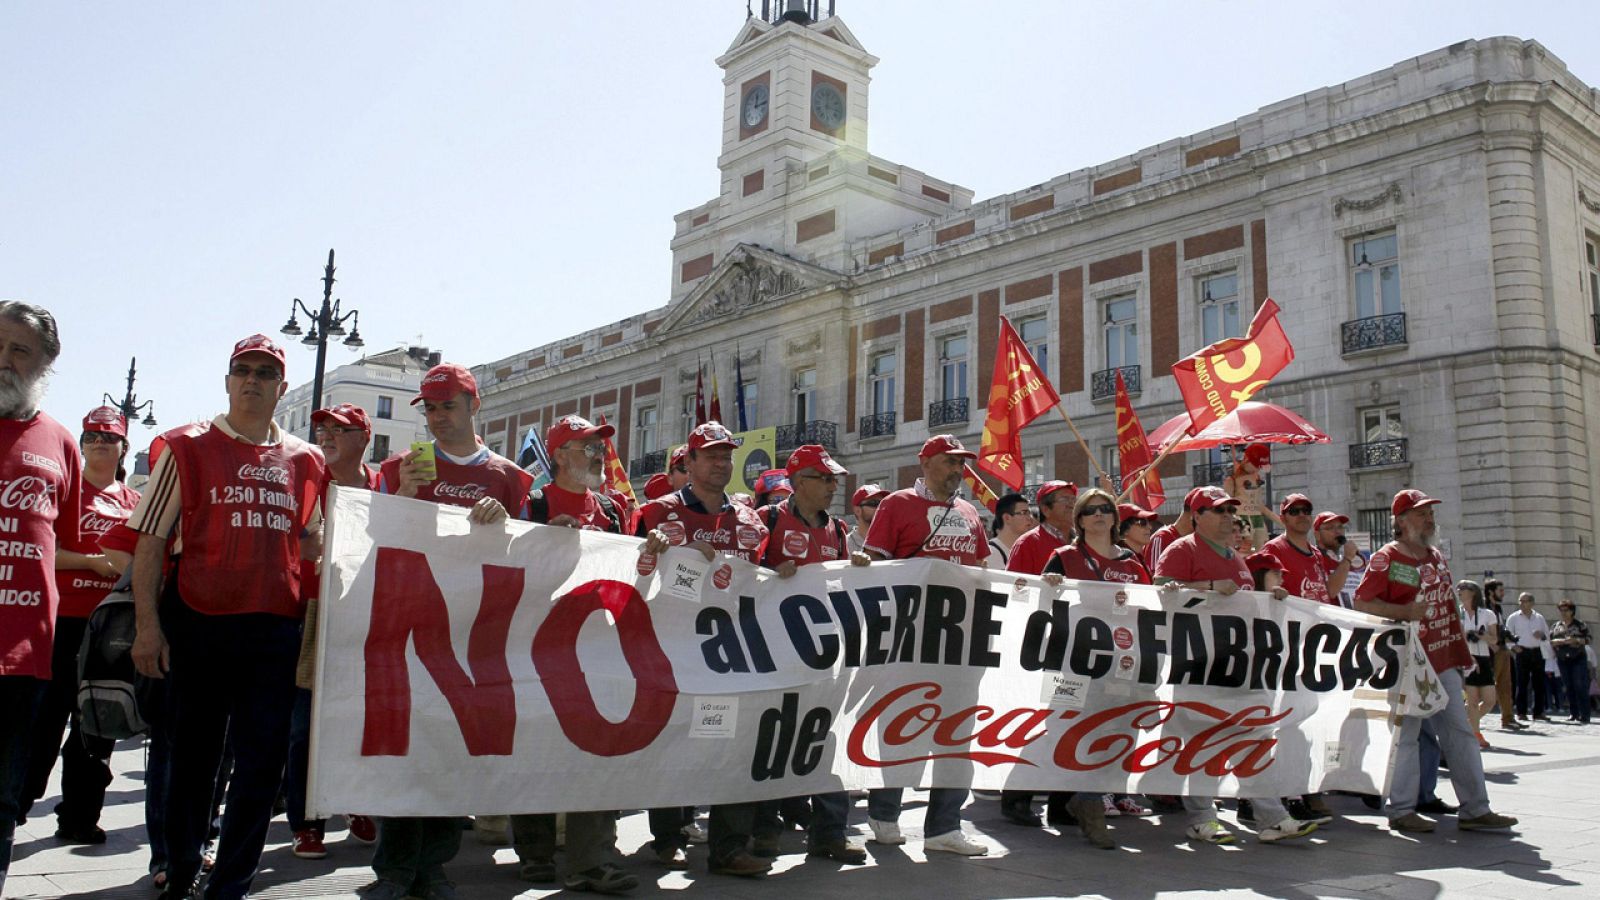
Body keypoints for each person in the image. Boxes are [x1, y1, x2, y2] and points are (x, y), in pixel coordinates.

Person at [129, 334, 327, 900]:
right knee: (193, 764)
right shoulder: (187, 449)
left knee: (262, 768)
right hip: (199, 621)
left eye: (266, 373)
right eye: (244, 369)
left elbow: (310, 540)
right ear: (227, 380)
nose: (253, 380)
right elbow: (150, 543)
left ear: (281, 388)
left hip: (273, 629)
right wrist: (149, 625)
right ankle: (182, 870)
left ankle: (232, 884)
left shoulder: (306, 461)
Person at [365, 362, 533, 900]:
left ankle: (434, 864)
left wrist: (504, 522)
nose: (438, 418)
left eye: (448, 406)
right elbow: (370, 542)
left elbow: (525, 552)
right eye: (430, 408)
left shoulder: (508, 476)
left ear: (473, 406)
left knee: (451, 750)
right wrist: (405, 499)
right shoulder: (399, 468)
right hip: (411, 627)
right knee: (407, 748)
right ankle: (393, 867)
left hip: (473, 633)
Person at [509, 414, 638, 894]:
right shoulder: (534, 503)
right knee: (539, 753)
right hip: (539, 649)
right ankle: (535, 853)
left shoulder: (613, 509)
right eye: (587, 447)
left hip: (601, 651)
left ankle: (592, 858)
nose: (599, 454)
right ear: (560, 454)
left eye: (600, 446)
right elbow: (507, 567)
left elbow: (634, 566)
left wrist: (655, 547)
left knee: (599, 755)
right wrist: (540, 543)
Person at [637, 421, 770, 877]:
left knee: (726, 748)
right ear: (688, 461)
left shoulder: (750, 519)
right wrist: (675, 557)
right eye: (709, 454)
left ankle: (729, 848)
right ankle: (668, 838)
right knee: (674, 746)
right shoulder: (657, 512)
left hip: (730, 658)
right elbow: (631, 576)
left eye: (726, 454)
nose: (720, 462)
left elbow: (768, 582)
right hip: (672, 653)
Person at [1154, 486, 1316, 845]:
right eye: (1218, 511)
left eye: (1230, 511)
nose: (1229, 517)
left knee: (1254, 739)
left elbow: (1244, 604)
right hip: (1199, 664)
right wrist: (1208, 585)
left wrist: (1270, 598)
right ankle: (1201, 817)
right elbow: (1161, 594)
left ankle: (1271, 816)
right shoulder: (1181, 550)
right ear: (1197, 516)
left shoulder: (1234, 554)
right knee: (1201, 742)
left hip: (1240, 665)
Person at [1352, 489, 1517, 834]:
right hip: (1407, 661)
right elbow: (1362, 602)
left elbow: (1448, 607)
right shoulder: (1386, 558)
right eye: (1420, 513)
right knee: (1407, 734)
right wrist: (1404, 612)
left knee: (1460, 732)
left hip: (1443, 658)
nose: (1429, 519)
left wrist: (1461, 651)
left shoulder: (1436, 556)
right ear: (1399, 521)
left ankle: (1475, 809)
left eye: (1430, 513)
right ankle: (1401, 809)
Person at [858, 435, 990, 857]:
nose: (958, 469)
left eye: (962, 463)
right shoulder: (896, 504)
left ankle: (944, 827)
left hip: (961, 643)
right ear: (927, 462)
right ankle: (883, 813)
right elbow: (875, 566)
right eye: (950, 461)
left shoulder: (969, 511)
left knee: (957, 734)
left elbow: (983, 569)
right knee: (900, 727)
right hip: (907, 641)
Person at [20, 407, 138, 845]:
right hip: (61, 621)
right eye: (92, 436)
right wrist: (92, 562)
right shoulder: (66, 491)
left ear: (125, 447)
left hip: (111, 627)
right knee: (42, 723)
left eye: (110, 437)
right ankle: (16, 805)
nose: (100, 443)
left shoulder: (133, 501)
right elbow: (42, 550)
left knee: (98, 725)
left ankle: (79, 817)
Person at [0, 301, 81, 897]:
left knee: (2, 802)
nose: (3, 361)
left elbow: (65, 538)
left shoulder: (60, 442)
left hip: (24, 655)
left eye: (19, 350)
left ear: (45, 363)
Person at [756, 445, 869, 865]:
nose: (832, 486)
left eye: (833, 479)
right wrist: (771, 575)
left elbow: (840, 589)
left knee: (829, 743)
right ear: (799, 481)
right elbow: (743, 577)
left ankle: (830, 834)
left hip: (825, 655)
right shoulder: (768, 519)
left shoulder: (837, 531)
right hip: (775, 654)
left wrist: (855, 568)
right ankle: (765, 832)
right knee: (774, 743)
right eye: (824, 478)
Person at [1037, 487, 1158, 849]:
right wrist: (1051, 587)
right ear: (1079, 520)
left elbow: (1150, 613)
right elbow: (1041, 606)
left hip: (1124, 664)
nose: (1099, 515)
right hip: (1073, 665)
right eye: (1090, 511)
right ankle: (1086, 807)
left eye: (1105, 509)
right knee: (1073, 735)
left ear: (1115, 518)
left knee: (1119, 735)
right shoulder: (1061, 557)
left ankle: (1089, 800)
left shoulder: (1133, 563)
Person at [285, 403, 380, 860]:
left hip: (367, 616)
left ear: (365, 437)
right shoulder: (308, 483)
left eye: (340, 430)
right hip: (314, 611)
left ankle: (353, 799)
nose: (327, 435)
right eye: (322, 428)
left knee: (360, 720)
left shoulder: (385, 486)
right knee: (306, 725)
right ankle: (307, 823)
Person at [1457, 580, 1500, 748]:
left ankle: (1468, 725)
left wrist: (1480, 635)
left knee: (1490, 700)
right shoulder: (1457, 613)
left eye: (1463, 589)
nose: (1459, 591)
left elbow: (1494, 639)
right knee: (1472, 701)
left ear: (1473, 592)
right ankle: (1476, 734)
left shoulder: (1487, 614)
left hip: (1483, 657)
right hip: (1466, 658)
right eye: (1458, 589)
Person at [1006, 481, 1076, 576]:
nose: (1072, 505)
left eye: (1073, 499)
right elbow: (1015, 585)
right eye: (1065, 499)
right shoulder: (1026, 544)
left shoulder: (1084, 541)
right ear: (1045, 509)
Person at [1483, 578, 1524, 731]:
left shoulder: (1497, 609)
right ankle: (1471, 717)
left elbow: (1500, 628)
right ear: (1491, 592)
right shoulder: (1484, 609)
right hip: (1490, 652)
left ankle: (1507, 718)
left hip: (1502, 649)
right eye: (1500, 590)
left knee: (1506, 686)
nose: (1503, 593)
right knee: (1485, 688)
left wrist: (1510, 638)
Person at [1503, 592, 1550, 722]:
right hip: (1521, 651)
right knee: (1521, 683)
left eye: (1525, 601)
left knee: (1539, 683)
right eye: (1520, 601)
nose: (1522, 604)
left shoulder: (1539, 617)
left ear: (1532, 603)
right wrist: (1513, 647)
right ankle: (1521, 711)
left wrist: (1542, 635)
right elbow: (1507, 636)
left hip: (1537, 651)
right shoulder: (1513, 617)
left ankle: (1539, 711)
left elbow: (1547, 635)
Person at [1550, 599, 1592, 724]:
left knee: (1580, 685)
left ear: (1572, 611)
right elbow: (1551, 640)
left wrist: (1576, 640)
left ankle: (1585, 714)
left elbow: (1589, 639)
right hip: (1563, 659)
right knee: (1568, 686)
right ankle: (1573, 713)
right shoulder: (1556, 626)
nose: (1563, 613)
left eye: (1566, 610)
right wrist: (1562, 642)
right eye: (1561, 610)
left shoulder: (1580, 625)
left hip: (1577, 658)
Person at [1312, 511, 1364, 608]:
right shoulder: (1314, 559)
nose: (1338, 531)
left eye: (1340, 527)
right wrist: (1347, 558)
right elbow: (1330, 591)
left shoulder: (1346, 561)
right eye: (1330, 528)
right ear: (1317, 535)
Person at [986, 492, 1033, 566]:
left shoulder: (1027, 551)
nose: (1030, 518)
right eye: (1024, 513)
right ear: (1007, 518)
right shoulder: (991, 552)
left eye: (1030, 513)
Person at [845, 483, 887, 554]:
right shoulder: (844, 545)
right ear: (857, 511)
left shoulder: (890, 544)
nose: (880, 508)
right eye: (874, 503)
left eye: (883, 504)